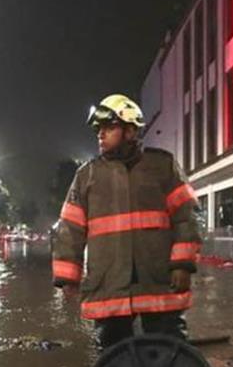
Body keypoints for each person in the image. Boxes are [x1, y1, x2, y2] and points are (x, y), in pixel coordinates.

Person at [52, 94, 202, 352]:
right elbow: (70, 228)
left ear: (130, 131)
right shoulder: (87, 175)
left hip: (158, 279)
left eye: (109, 128)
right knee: (113, 356)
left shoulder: (162, 165)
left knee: (170, 352)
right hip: (109, 284)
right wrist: (68, 277)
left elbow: (187, 215)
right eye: (98, 130)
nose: (100, 135)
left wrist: (183, 265)